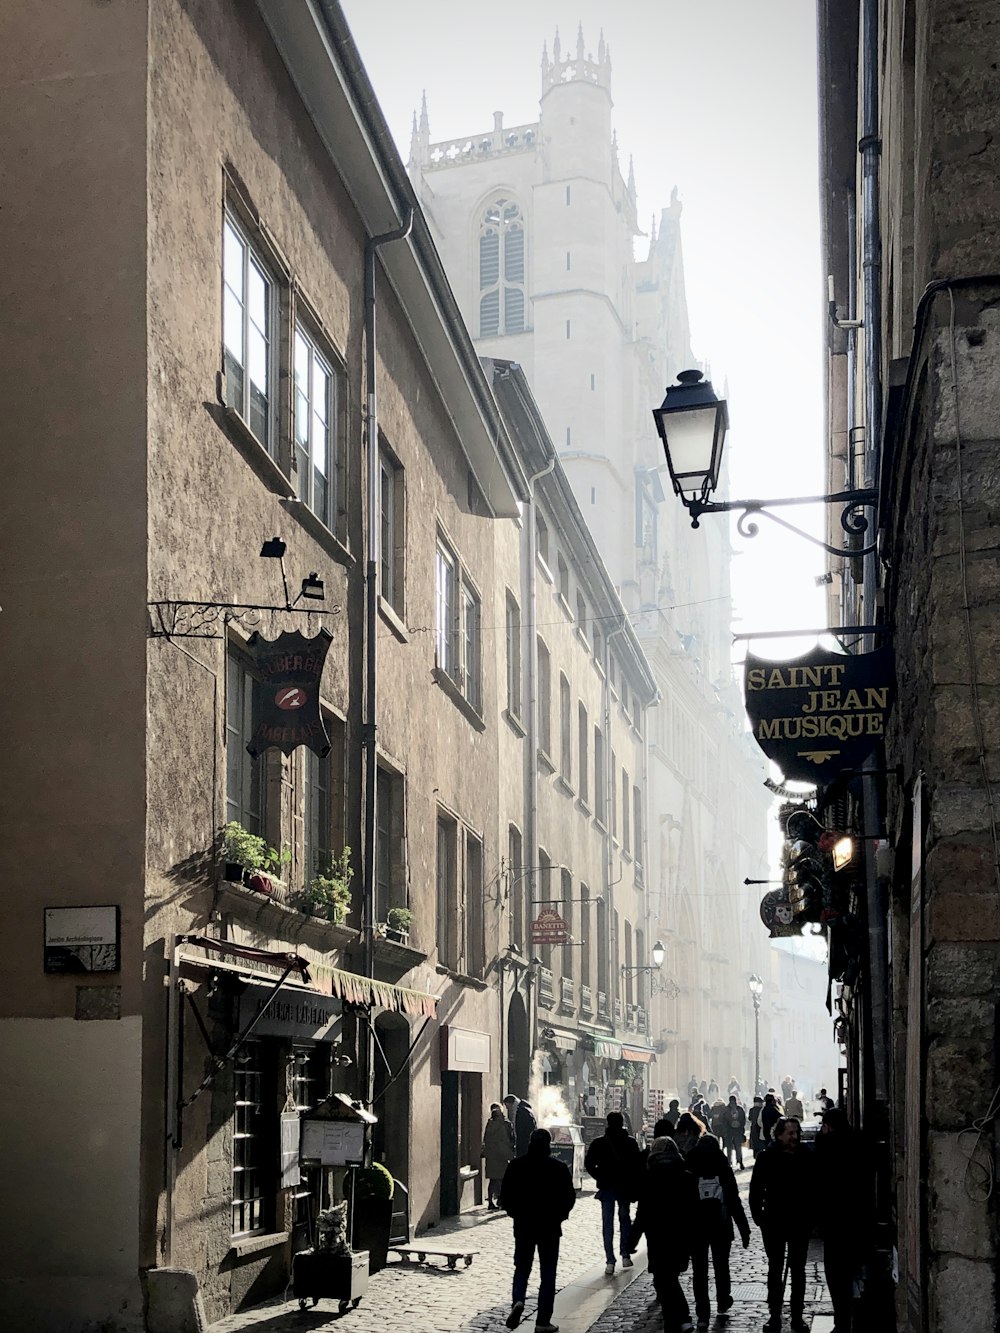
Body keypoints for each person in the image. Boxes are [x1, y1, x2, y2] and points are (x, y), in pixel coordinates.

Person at [501, 1127, 576, 1333]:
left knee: (522, 1268)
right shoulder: (559, 1167)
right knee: (548, 1274)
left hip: (524, 1225)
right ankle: (543, 1321)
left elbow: (505, 1197)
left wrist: (515, 1213)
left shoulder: (516, 1166)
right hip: (550, 1227)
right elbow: (569, 1198)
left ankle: (518, 1300)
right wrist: (559, 1215)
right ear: (548, 1145)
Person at [682, 1114, 751, 1328]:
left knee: (699, 1271)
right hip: (720, 1223)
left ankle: (702, 1313)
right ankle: (723, 1300)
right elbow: (733, 1198)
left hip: (696, 1224)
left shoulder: (690, 1161)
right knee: (722, 1265)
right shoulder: (722, 1163)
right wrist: (744, 1228)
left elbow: (683, 1198)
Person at [749, 1117, 816, 1333]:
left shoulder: (806, 1156)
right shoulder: (767, 1158)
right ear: (779, 1135)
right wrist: (759, 1218)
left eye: (796, 1133)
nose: (795, 1137)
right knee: (775, 1269)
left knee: (798, 1271)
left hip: (799, 1221)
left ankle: (797, 1316)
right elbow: (755, 1190)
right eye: (790, 1133)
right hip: (775, 1222)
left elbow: (816, 1189)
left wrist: (813, 1218)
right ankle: (775, 1315)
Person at [633, 1136, 698, 1332]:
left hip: (658, 1237)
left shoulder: (649, 1177)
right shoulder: (687, 1177)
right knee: (670, 1278)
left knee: (664, 1280)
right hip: (681, 1237)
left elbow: (642, 1214)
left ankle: (680, 1319)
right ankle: (681, 1319)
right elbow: (694, 1210)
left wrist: (630, 1241)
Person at [815, 1108, 867, 1333]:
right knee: (853, 1270)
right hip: (857, 1217)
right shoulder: (858, 1142)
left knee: (835, 1274)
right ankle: (857, 1317)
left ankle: (842, 1320)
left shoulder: (826, 1145)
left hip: (834, 1219)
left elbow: (819, 1181)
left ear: (827, 1125)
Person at [584, 1110, 641, 1276]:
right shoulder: (630, 1142)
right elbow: (637, 1166)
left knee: (607, 1224)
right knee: (625, 1220)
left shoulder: (599, 1143)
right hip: (624, 1187)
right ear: (622, 1123)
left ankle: (610, 1260)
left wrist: (600, 1177)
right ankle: (625, 1253)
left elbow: (589, 1164)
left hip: (607, 1187)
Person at [483, 1102, 516, 1209]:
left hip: (491, 1155)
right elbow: (512, 1139)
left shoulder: (489, 1124)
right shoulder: (506, 1124)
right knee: (503, 1179)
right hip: (503, 1155)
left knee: (493, 1179)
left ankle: (490, 1202)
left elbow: (485, 1139)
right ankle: (502, 1200)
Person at [721, 1095, 747, 1170]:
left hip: (729, 1131)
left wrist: (725, 1131)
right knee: (738, 1147)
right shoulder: (740, 1108)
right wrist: (741, 1127)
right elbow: (743, 1120)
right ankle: (740, 1161)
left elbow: (723, 1120)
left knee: (729, 1148)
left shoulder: (725, 1109)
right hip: (738, 1131)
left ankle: (729, 1162)